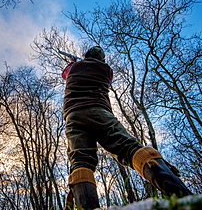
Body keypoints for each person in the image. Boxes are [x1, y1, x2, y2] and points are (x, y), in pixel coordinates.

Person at [62, 46, 192, 210]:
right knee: (130, 148)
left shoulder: (74, 68)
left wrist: (74, 63)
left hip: (73, 116)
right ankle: (182, 197)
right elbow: (105, 79)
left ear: (86, 56)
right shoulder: (106, 70)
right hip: (100, 112)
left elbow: (65, 75)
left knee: (81, 162)